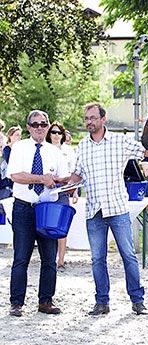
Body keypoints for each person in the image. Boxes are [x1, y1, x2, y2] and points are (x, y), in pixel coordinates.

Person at [64, 103, 148, 316]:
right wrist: (64, 183)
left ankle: (137, 300)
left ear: (103, 119)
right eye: (86, 118)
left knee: (128, 256)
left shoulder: (120, 141)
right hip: (94, 210)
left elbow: (145, 151)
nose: (89, 122)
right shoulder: (82, 146)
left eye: (93, 118)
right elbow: (77, 175)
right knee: (97, 259)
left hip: (117, 208)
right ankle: (101, 302)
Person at [7, 110, 68, 317]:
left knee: (49, 259)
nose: (39, 128)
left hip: (47, 209)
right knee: (21, 257)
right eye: (35, 124)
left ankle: (46, 301)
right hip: (24, 207)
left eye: (43, 124)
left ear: (48, 126)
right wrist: (42, 178)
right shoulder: (20, 148)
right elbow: (15, 175)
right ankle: (16, 302)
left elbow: (64, 177)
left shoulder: (55, 151)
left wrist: (62, 181)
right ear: (28, 127)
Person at [45, 121, 76, 270]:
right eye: (54, 132)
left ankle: (61, 259)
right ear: (49, 134)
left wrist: (74, 191)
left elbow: (75, 173)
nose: (56, 135)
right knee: (48, 224)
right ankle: (49, 257)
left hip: (63, 189)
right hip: (46, 190)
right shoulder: (44, 149)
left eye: (59, 133)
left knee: (62, 225)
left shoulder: (68, 151)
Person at [0, 126, 22, 199]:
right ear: (10, 136)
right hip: (7, 183)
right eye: (17, 135)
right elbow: (12, 164)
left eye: (20, 135)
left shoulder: (20, 150)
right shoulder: (7, 149)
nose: (19, 137)